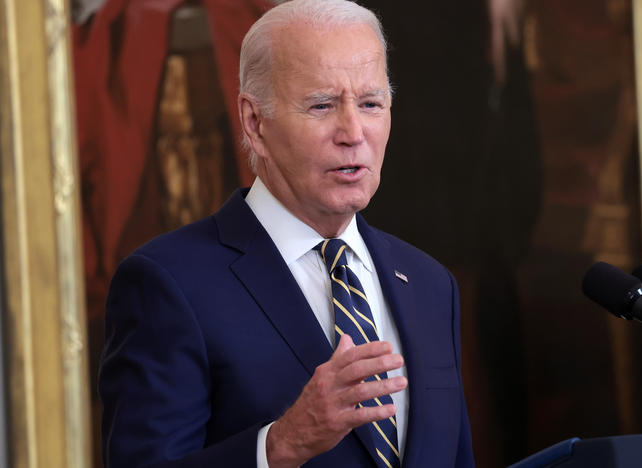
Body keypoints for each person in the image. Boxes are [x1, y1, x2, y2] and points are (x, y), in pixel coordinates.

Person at [99, 1, 475, 467]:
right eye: (322, 105)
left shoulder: (430, 284)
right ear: (255, 124)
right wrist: (279, 446)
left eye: (371, 104)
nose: (353, 132)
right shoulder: (167, 284)